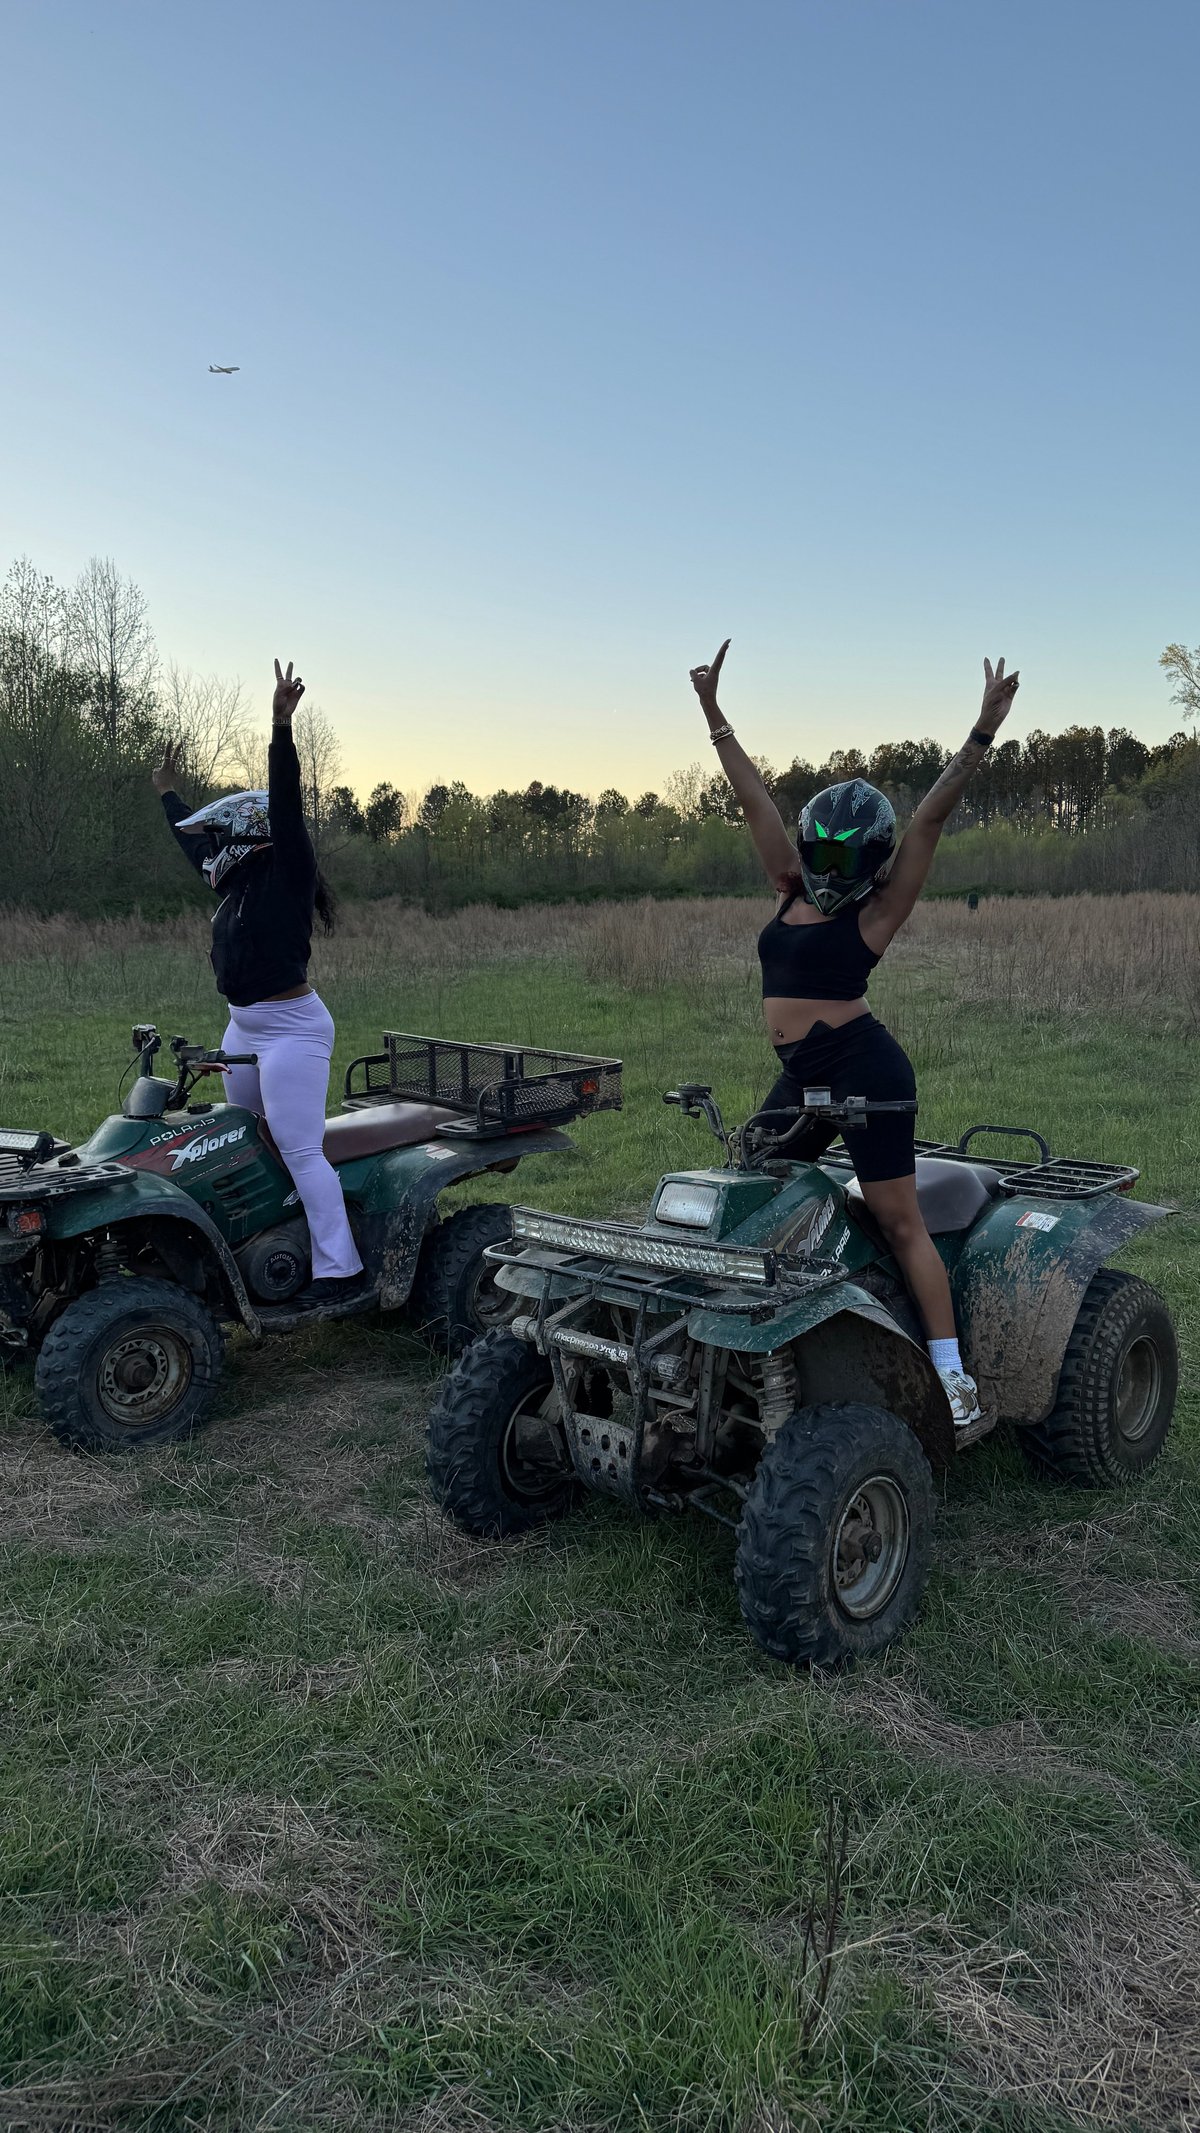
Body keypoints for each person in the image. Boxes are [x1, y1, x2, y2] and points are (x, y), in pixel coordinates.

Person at [688, 640, 1020, 1426]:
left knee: (900, 1219)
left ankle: (952, 1378)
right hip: (803, 1074)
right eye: (820, 847)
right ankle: (769, 1336)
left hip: (866, 1068)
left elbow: (932, 815)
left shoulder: (877, 911)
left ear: (871, 858)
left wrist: (980, 733)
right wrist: (712, 712)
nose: (829, 859)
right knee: (754, 1179)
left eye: (846, 851)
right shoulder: (789, 884)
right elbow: (755, 802)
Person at [152, 659, 365, 1304]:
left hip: (292, 1029)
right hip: (244, 1026)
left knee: (300, 1149)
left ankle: (338, 1268)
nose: (217, 850)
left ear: (256, 836)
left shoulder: (288, 871)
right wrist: (166, 792)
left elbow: (286, 802)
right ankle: (260, 1242)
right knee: (239, 1135)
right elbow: (196, 845)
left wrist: (280, 727)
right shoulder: (233, 884)